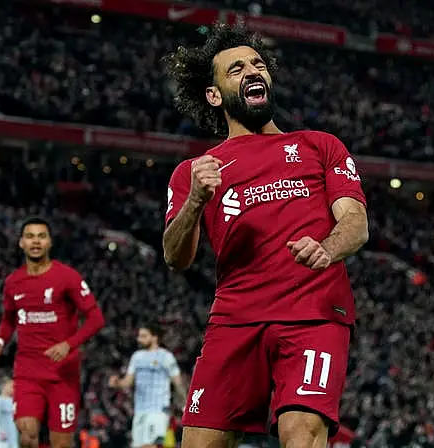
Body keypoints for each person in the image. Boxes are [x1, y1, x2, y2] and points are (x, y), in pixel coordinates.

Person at [162, 25, 369, 448]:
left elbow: (355, 222)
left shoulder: (319, 145)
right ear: (214, 95)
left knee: (301, 434)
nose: (252, 71)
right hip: (234, 321)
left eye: (258, 64)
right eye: (236, 69)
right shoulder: (194, 171)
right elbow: (175, 256)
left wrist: (326, 249)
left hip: (313, 314)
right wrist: (196, 201)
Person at [0, 217, 106, 448]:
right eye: (30, 236)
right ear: (21, 242)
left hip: (63, 374)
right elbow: (8, 319)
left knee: (61, 443)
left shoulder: (67, 277)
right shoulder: (13, 282)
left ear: (49, 242)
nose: (35, 241)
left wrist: (68, 345)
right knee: (27, 434)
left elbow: (96, 319)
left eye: (41, 236)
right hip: (27, 373)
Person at [109, 323, 187, 448]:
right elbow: (128, 381)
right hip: (140, 410)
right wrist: (117, 383)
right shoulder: (136, 357)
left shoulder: (166, 357)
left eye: (144, 336)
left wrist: (185, 404)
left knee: (150, 445)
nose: (139, 339)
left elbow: (177, 382)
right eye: (139, 336)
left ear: (154, 337)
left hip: (158, 409)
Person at [0, 379, 19, 448]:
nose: (14, 389)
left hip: (13, 439)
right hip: (3, 440)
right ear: (4, 386)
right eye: (11, 386)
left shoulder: (14, 402)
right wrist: (0, 431)